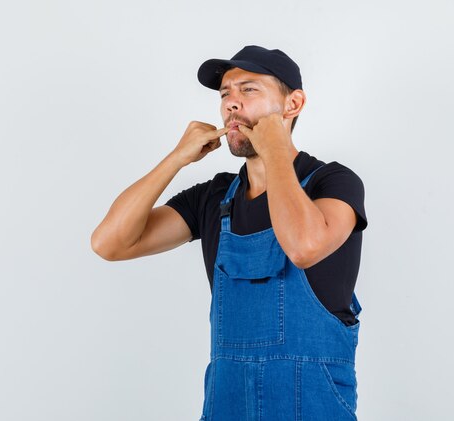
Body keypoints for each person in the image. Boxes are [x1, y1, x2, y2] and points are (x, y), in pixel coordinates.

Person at [91, 45, 368, 420]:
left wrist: (273, 150)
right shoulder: (214, 197)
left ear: (293, 104)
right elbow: (109, 243)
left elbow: (304, 246)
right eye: (225, 94)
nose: (231, 105)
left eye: (249, 90)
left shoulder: (333, 183)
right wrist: (176, 157)